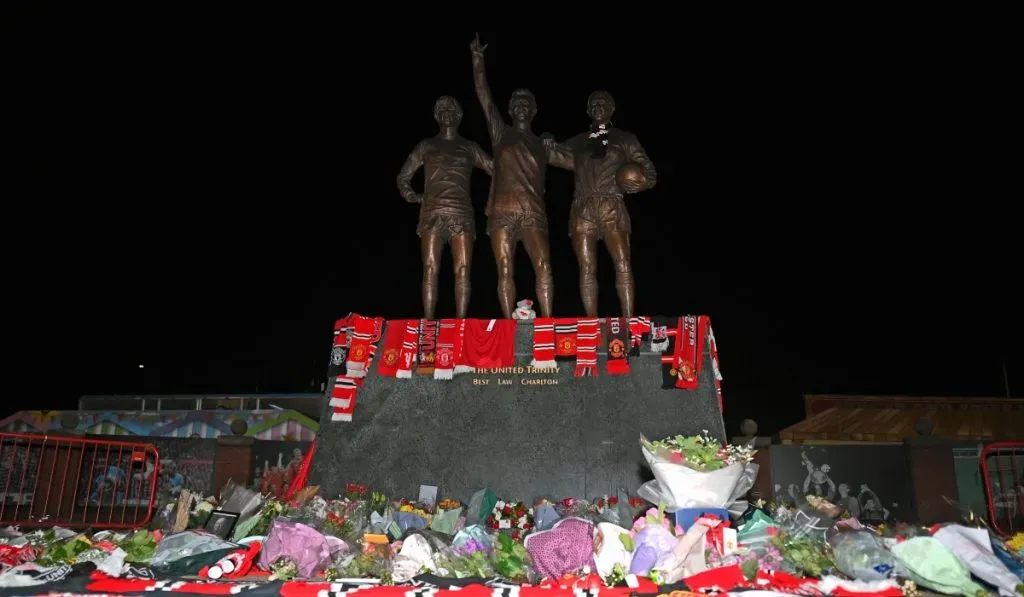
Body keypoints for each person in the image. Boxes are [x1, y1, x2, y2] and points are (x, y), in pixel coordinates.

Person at [471, 34, 561, 318]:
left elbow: (579, 160)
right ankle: (509, 324)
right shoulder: (502, 133)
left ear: (534, 110)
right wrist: (477, 60)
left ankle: (546, 321)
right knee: (505, 268)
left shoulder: (543, 144)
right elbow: (484, 96)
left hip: (533, 211)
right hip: (502, 211)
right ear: (510, 110)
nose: (521, 106)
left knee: (544, 266)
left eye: (526, 103)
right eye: (516, 103)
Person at [545, 91, 656, 317]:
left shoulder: (625, 139)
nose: (598, 106)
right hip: (583, 206)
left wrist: (641, 183)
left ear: (612, 109)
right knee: (587, 267)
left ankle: (628, 319)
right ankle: (591, 320)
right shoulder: (579, 141)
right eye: (593, 103)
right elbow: (554, 154)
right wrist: (546, 140)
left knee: (622, 262)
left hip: (611, 203)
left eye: (603, 103)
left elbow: (650, 172)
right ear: (588, 110)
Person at [397, 96, 493, 319]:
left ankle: (461, 323)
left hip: (461, 213)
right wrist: (412, 195)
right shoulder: (426, 145)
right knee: (430, 268)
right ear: (436, 115)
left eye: (451, 109)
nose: (447, 112)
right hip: (433, 212)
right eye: (442, 109)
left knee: (463, 269)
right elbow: (403, 176)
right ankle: (429, 320)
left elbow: (496, 170)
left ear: (459, 115)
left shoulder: (469, 147)